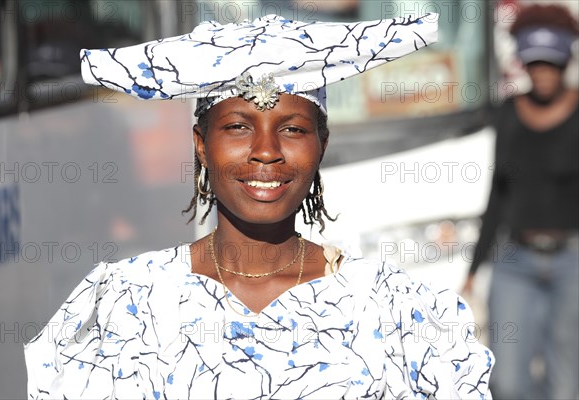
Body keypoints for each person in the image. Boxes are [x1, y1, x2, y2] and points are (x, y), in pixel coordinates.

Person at [25, 14, 493, 399]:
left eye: (292, 129)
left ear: (321, 145)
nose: (266, 152)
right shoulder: (130, 304)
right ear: (201, 145)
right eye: (238, 127)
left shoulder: (393, 312)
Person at [463, 4, 579, 400]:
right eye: (535, 63)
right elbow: (496, 195)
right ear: (523, 65)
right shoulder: (508, 115)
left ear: (567, 62)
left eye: (552, 62)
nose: (544, 72)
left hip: (573, 265)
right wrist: (473, 269)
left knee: (566, 385)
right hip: (515, 260)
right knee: (507, 382)